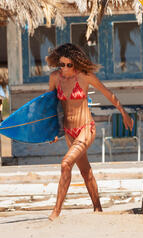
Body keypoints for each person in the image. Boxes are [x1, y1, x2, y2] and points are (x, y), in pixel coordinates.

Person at [45, 43, 133, 220]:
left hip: (86, 128)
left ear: (76, 64)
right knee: (85, 172)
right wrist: (52, 131)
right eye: (61, 64)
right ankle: (98, 208)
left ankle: (56, 212)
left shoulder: (85, 77)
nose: (65, 68)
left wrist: (124, 113)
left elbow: (108, 94)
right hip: (69, 131)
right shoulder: (55, 78)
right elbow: (49, 106)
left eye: (69, 65)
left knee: (65, 164)